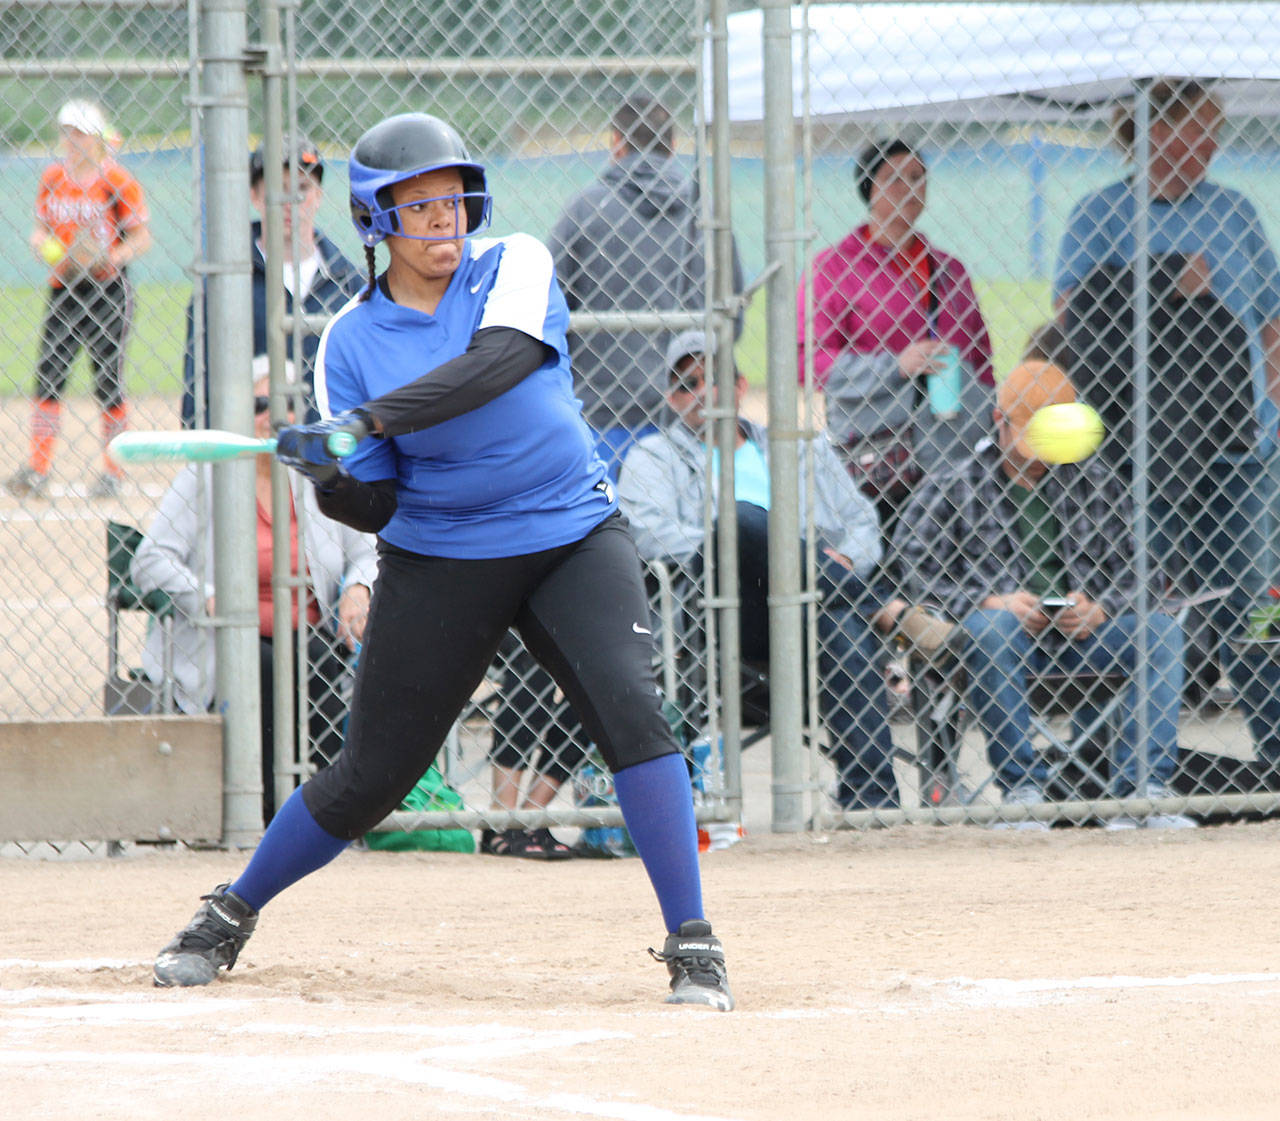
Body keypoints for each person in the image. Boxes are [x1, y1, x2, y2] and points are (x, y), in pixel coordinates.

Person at [151, 111, 733, 1012]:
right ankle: (228, 912)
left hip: (569, 532)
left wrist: (371, 420)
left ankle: (694, 942)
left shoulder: (516, 264)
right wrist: (329, 476)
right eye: (415, 206)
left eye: (451, 199)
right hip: (440, 556)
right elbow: (376, 501)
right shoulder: (350, 339)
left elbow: (495, 365)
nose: (441, 220)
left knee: (632, 711)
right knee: (371, 776)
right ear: (376, 221)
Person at [1055, 77, 1280, 754]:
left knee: (1251, 602)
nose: (1211, 145)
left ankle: (1275, 747)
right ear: (1156, 133)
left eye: (1215, 133)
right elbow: (1076, 321)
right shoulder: (1099, 216)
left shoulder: (1234, 212)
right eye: (1197, 131)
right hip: (1138, 449)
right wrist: (1160, 279)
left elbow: (1269, 322)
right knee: (1135, 603)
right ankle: (1104, 759)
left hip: (1237, 447)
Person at [893, 360, 1195, 830]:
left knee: (1158, 632)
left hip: (1082, 640)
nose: (1045, 451)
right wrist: (988, 600)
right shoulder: (957, 483)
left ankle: (1142, 794)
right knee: (992, 627)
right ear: (1000, 422)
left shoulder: (1092, 479)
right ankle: (1023, 792)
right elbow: (911, 566)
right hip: (1003, 646)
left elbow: (1145, 571)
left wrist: (1100, 609)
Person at [617, 329, 899, 810]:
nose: (702, 393)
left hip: (812, 603)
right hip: (718, 610)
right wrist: (745, 545)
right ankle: (884, 608)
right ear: (671, 397)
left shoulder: (800, 445)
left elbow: (862, 523)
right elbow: (647, 535)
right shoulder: (653, 456)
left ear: (741, 386)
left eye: (714, 379)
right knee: (741, 519)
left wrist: (846, 558)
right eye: (687, 383)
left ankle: (871, 798)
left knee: (839, 620)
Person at [131, 370, 377, 822]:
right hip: (222, 638)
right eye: (259, 407)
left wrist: (357, 589)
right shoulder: (206, 475)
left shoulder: (314, 473)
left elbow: (367, 550)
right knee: (263, 664)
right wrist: (205, 598)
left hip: (308, 633)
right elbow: (149, 560)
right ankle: (265, 805)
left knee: (316, 659)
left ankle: (321, 806)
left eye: (283, 405)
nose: (273, 417)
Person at [796, 138, 992, 661]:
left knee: (945, 560)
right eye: (898, 178)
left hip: (949, 452)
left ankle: (944, 660)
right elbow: (811, 363)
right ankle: (887, 662)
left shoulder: (948, 272)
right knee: (883, 559)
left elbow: (983, 364)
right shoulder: (833, 268)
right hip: (876, 457)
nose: (911, 190)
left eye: (919, 178)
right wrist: (895, 367)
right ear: (870, 187)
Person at [548, 89, 743, 478]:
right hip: (691, 411)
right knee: (685, 530)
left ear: (615, 144)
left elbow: (549, 309)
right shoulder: (706, 214)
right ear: (672, 147)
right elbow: (731, 319)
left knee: (604, 526)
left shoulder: (585, 209)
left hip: (602, 409)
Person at [8, 99, 152, 499]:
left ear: (97, 139)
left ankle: (113, 470)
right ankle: (38, 468)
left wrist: (110, 257)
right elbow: (40, 231)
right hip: (65, 288)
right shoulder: (53, 177)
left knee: (107, 381)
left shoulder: (116, 181)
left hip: (109, 289)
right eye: (68, 132)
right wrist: (49, 249)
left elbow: (141, 237)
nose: (73, 140)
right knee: (49, 376)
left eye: (81, 133)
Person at [180, 134, 363, 428]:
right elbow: (196, 388)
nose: (291, 202)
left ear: (318, 195)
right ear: (255, 195)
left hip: (328, 452)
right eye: (278, 189)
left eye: (302, 188)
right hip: (247, 454)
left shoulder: (350, 283)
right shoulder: (223, 282)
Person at [481, 634, 585, 859]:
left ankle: (532, 818)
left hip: (552, 619)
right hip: (492, 617)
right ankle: (501, 820)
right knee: (533, 666)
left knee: (594, 676)